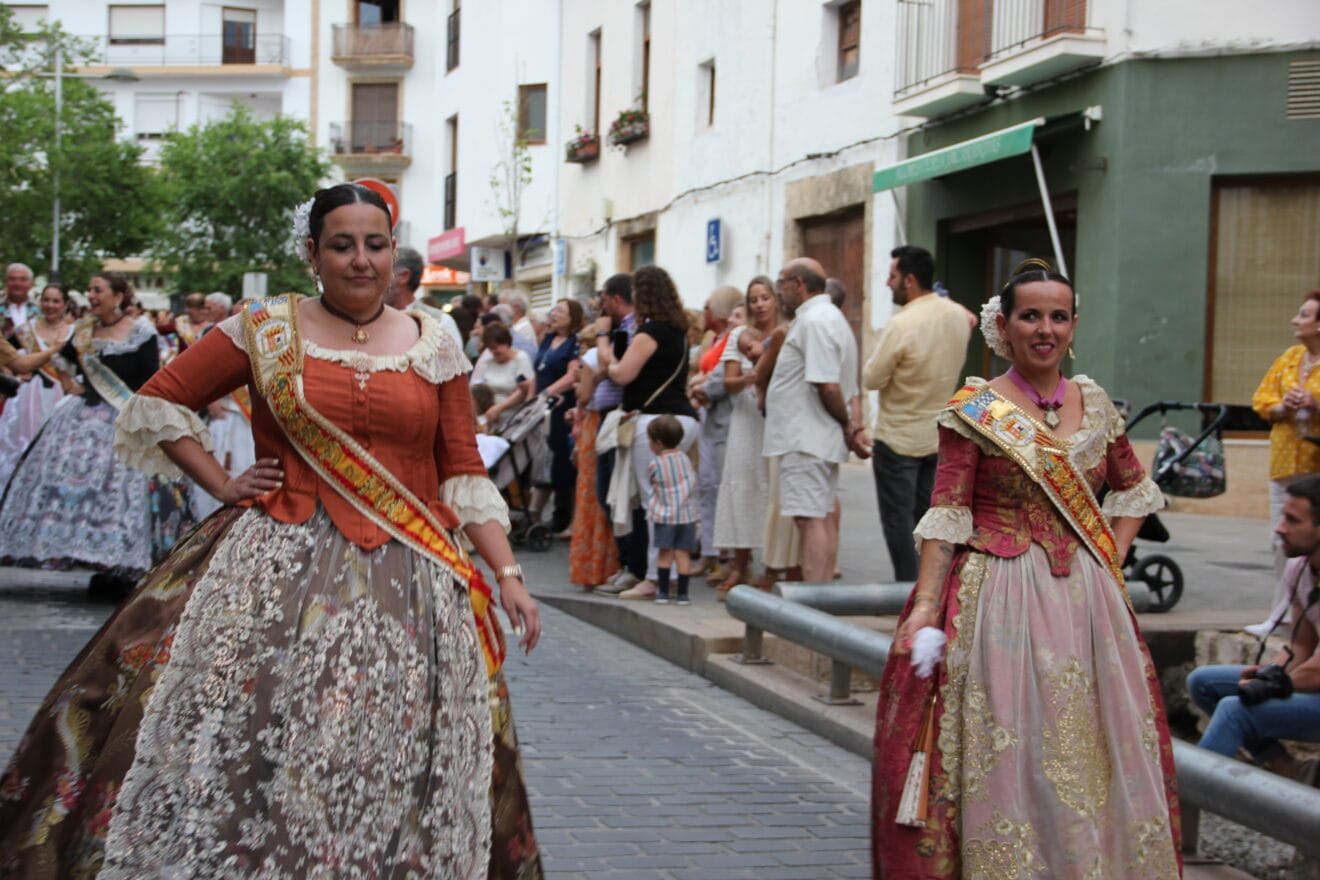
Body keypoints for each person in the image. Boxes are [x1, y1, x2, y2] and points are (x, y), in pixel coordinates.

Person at [0, 183, 543, 877]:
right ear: (311, 253)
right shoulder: (264, 329)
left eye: (374, 245)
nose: (360, 261)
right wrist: (222, 484)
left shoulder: (434, 340)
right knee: (261, 736)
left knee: (392, 747)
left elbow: (463, 469)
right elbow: (160, 402)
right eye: (341, 245)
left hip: (413, 578)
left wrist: (508, 575)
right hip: (277, 568)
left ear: (392, 253)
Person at [871, 259, 1180, 878]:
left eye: (1058, 316)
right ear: (1003, 328)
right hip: (999, 598)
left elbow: (1133, 492)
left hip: (1087, 604)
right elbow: (947, 510)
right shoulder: (976, 408)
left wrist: (1108, 559)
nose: (1045, 329)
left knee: (1094, 743)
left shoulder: (1094, 404)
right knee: (1015, 745)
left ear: (1073, 326)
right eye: (1030, 316)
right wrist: (929, 605)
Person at [0, 273, 193, 598]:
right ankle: (79, 554)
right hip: (80, 416)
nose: (90, 295)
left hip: (125, 418)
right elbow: (63, 360)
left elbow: (151, 377)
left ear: (118, 296)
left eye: (97, 290)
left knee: (121, 490)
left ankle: (120, 565)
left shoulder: (141, 331)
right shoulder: (84, 331)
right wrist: (70, 384)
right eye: (89, 290)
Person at [1188, 474, 1320, 769]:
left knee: (1235, 710)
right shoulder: (1299, 568)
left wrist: (1272, 685)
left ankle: (1184, 801)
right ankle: (1286, 767)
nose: (1279, 528)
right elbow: (1301, 645)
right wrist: (1271, 671)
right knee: (1203, 682)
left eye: (1292, 520)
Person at [864, 245, 973, 581]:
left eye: (892, 276)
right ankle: (933, 586)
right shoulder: (958, 315)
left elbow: (872, 377)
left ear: (909, 280)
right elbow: (972, 320)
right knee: (930, 521)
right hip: (937, 437)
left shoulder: (902, 323)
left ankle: (909, 590)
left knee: (899, 523)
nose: (887, 283)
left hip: (897, 439)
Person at [763, 257, 867, 584]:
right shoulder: (824, 318)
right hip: (810, 436)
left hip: (805, 437)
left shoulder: (815, 321)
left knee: (811, 521)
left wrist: (849, 426)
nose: (779, 291)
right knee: (816, 517)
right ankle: (820, 597)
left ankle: (814, 599)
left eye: (781, 283)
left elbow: (827, 384)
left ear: (798, 283)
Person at [607, 265, 700, 600]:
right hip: (684, 420)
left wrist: (606, 357)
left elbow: (622, 374)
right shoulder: (679, 331)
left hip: (655, 422)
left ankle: (654, 577)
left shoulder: (649, 334)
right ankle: (674, 573)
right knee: (674, 500)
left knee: (652, 501)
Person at [1251, 288, 1320, 633]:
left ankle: (1306, 614)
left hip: (1315, 464)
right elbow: (1262, 400)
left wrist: (1315, 401)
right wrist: (1285, 407)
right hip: (1284, 463)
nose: (1296, 319)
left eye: (1305, 315)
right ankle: (1281, 612)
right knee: (1281, 538)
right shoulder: (1291, 358)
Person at [712, 276, 783, 595]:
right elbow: (727, 382)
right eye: (753, 299)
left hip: (774, 418)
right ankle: (740, 565)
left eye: (765, 297)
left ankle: (771, 566)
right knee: (741, 487)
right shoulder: (738, 334)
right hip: (744, 416)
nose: (759, 304)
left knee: (772, 490)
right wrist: (749, 378)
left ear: (775, 299)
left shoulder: (785, 332)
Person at [588, 273, 641, 595]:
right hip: (608, 418)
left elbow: (614, 368)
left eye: (604, 297)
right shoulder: (624, 328)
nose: (600, 305)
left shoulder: (630, 329)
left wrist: (603, 336)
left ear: (616, 299)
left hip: (623, 418)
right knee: (608, 493)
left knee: (619, 495)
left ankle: (632, 566)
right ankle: (625, 564)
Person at [689, 285, 743, 581]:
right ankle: (711, 551)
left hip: (723, 422)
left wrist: (701, 387)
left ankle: (727, 557)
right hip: (711, 421)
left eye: (709, 306)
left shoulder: (732, 342)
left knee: (721, 489)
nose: (705, 312)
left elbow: (721, 378)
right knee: (708, 488)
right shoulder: (719, 340)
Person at [0, 283, 72, 482]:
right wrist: (13, 374)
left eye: (56, 301)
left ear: (66, 304)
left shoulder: (74, 332)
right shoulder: (24, 331)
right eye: (46, 300)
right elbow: (13, 361)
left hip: (62, 397)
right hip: (29, 399)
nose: (50, 305)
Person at [567, 323, 621, 588]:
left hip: (594, 425)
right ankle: (610, 564)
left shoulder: (590, 359)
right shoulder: (620, 353)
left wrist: (581, 383)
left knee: (591, 494)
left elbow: (584, 395)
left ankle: (592, 568)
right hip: (613, 419)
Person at [532, 298, 584, 535]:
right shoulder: (549, 339)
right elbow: (538, 371)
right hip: (543, 406)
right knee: (547, 459)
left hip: (563, 406)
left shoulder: (574, 343)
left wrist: (549, 391)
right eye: (553, 310)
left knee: (564, 461)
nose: (554, 315)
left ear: (572, 317)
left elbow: (573, 374)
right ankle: (554, 513)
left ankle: (569, 516)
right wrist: (532, 398)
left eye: (560, 311)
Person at [646, 414, 698, 605]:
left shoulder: (655, 463)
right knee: (683, 554)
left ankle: (663, 593)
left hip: (665, 515)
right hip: (686, 515)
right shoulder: (685, 459)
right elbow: (692, 480)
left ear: (658, 443)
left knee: (665, 555)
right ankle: (683, 594)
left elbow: (652, 481)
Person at [394, 245, 465, 348]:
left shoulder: (441, 321)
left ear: (404, 276)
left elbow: (453, 362)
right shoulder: (368, 318)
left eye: (384, 272)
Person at [473, 322, 535, 430]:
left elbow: (524, 390)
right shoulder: (488, 361)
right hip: (490, 416)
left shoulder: (521, 359)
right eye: (489, 348)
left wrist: (500, 408)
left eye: (495, 347)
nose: (493, 352)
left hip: (513, 417)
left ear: (506, 343)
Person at [2, 262, 40, 335]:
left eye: (23, 280)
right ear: (6, 282)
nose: (17, 284)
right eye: (12, 279)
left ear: (31, 284)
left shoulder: (41, 310)